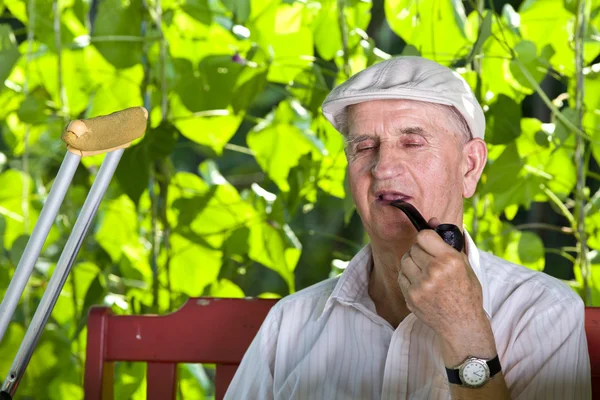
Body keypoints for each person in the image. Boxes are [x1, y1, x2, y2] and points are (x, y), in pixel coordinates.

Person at [224, 56, 591, 399]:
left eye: (412, 142)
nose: (382, 167)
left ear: (469, 166)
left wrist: (464, 329)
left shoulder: (542, 312)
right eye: (364, 147)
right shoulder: (290, 323)